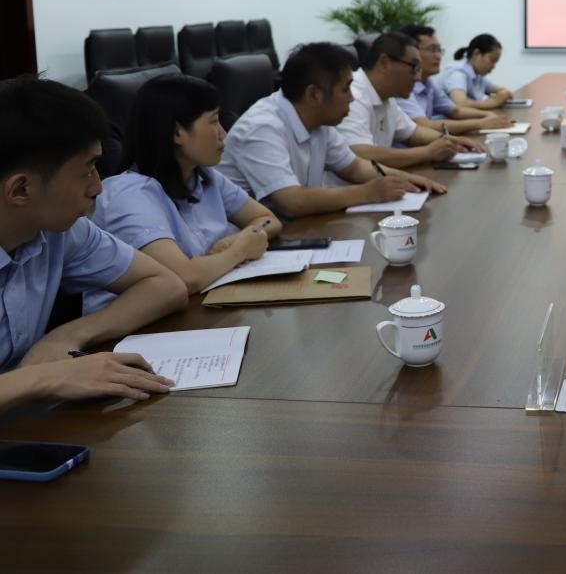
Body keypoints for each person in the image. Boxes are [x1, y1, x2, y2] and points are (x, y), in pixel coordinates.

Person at [0, 78, 186, 411]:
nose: (98, 187)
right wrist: (43, 378)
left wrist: (65, 337)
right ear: (21, 190)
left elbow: (166, 285)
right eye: (87, 171)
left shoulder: (61, 230)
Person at [91, 75, 281, 302]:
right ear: (177, 133)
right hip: (140, 322)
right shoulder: (131, 194)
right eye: (213, 122)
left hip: (198, 302)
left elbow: (267, 219)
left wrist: (237, 240)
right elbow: (183, 277)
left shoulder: (203, 175)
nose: (223, 134)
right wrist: (240, 250)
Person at [217, 42, 444, 219]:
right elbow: (292, 202)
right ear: (314, 94)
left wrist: (408, 180)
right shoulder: (262, 127)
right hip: (242, 245)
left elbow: (355, 167)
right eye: (346, 89)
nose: (352, 98)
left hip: (295, 230)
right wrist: (367, 193)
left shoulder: (318, 120)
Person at [336, 32, 484, 168]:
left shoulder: (386, 97)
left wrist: (450, 140)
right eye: (414, 67)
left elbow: (414, 133)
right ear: (384, 63)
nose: (418, 77)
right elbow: (361, 153)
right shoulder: (353, 93)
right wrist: (427, 152)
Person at [397, 24, 512, 134]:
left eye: (439, 50)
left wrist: (488, 116)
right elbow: (425, 125)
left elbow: (455, 110)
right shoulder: (400, 87)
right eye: (432, 49)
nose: (438, 56)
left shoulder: (428, 83)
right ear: (412, 52)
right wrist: (481, 122)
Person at [441, 33, 513, 110]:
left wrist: (503, 94)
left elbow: (502, 90)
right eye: (492, 60)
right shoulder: (457, 73)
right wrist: (493, 102)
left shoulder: (478, 74)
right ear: (477, 53)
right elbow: (460, 104)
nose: (494, 66)